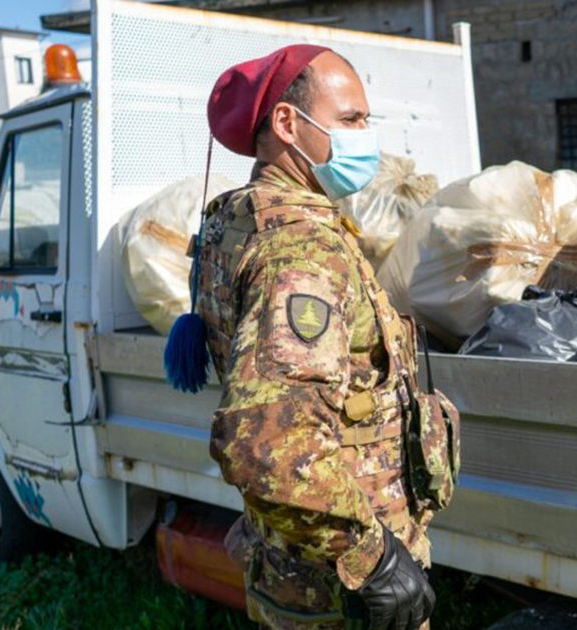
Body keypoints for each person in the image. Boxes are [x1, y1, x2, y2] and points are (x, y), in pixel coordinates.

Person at [196, 44, 450, 630]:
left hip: (294, 567)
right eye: (352, 120)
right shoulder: (298, 248)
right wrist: (375, 559)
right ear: (288, 124)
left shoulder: (236, 219)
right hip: (337, 591)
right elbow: (264, 442)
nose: (367, 136)